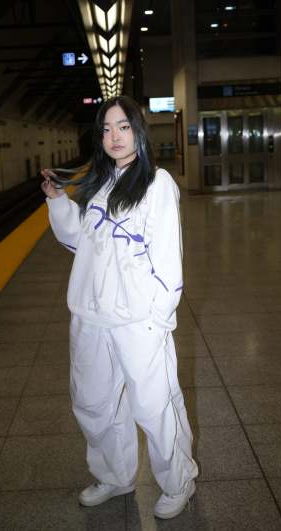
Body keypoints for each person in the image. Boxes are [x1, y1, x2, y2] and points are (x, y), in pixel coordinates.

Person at [41, 95, 198, 519]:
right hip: (90, 317)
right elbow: (80, 241)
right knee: (94, 404)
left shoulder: (156, 184)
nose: (114, 136)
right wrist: (58, 200)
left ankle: (178, 480)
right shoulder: (98, 183)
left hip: (137, 321)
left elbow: (168, 258)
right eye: (106, 129)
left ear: (139, 132)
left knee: (154, 405)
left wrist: (159, 320)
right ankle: (115, 476)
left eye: (123, 127)